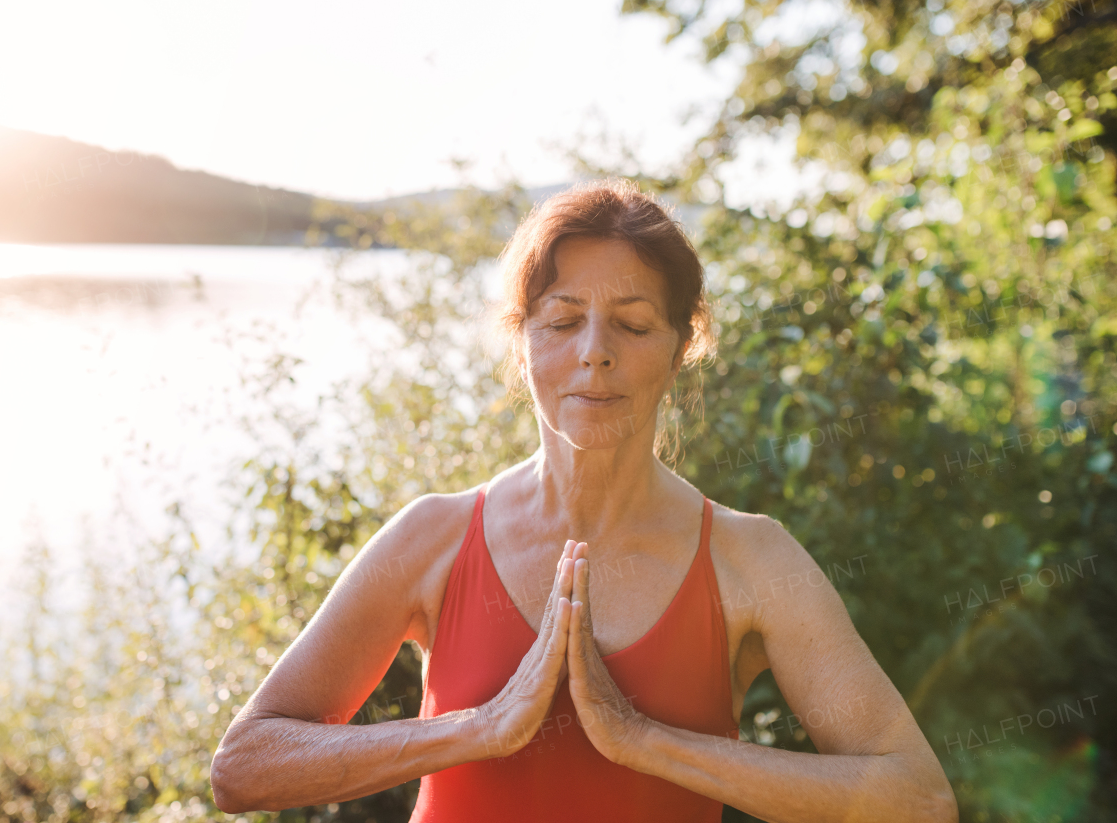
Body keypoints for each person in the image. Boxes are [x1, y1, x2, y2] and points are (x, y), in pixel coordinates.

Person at [210, 179, 958, 822]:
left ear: (681, 344)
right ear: (522, 341)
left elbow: (917, 799)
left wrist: (642, 738)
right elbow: (245, 765)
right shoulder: (432, 536)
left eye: (632, 324)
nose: (594, 349)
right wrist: (482, 727)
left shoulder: (750, 559)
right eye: (563, 320)